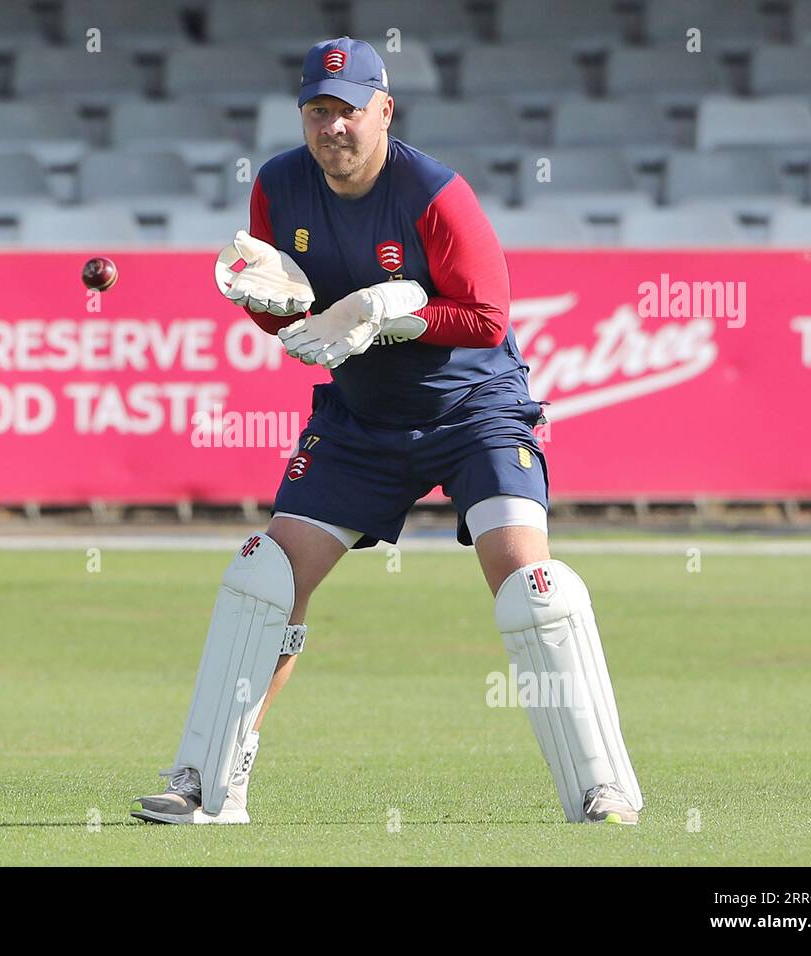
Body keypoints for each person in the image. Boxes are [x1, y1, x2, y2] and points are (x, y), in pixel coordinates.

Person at [131, 36, 643, 826]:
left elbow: (486, 318)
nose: (332, 127)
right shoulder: (277, 185)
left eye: (348, 111)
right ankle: (209, 782)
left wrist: (387, 315)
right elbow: (296, 316)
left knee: (531, 590)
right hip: (363, 419)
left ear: (384, 109)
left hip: (474, 410)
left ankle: (600, 789)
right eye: (317, 110)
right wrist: (269, 312)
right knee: (263, 578)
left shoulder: (435, 193)